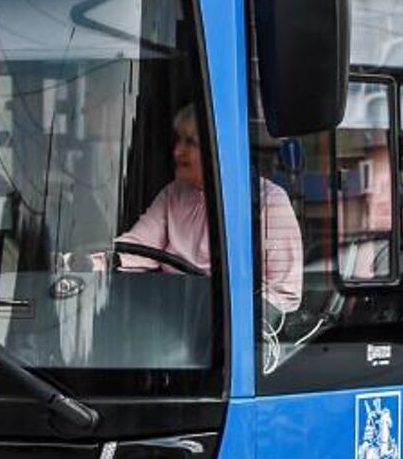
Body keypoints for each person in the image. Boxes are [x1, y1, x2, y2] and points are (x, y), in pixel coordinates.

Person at [116, 104, 303, 312]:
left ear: (219, 148)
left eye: (190, 143)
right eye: (178, 140)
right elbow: (135, 250)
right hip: (173, 319)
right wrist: (90, 263)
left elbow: (284, 294)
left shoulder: (270, 202)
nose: (177, 151)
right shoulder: (173, 195)